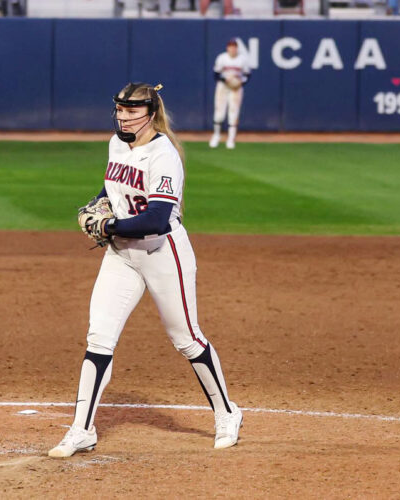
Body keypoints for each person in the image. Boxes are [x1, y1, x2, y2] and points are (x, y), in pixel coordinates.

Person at [48, 82, 243, 458]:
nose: (123, 117)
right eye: (119, 110)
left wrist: (108, 225)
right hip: (122, 256)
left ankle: (227, 413)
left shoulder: (163, 154)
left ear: (150, 114)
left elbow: (156, 218)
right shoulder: (116, 143)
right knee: (99, 338)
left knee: (186, 339)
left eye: (131, 111)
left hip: (163, 253)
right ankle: (81, 430)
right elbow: (112, 189)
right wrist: (97, 205)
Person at [209, 39, 251, 150]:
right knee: (219, 113)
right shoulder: (222, 58)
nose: (232, 49)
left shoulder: (242, 60)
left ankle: (231, 139)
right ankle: (216, 135)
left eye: (234, 47)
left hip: (236, 89)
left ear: (237, 48)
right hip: (223, 87)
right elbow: (216, 74)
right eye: (230, 46)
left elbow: (247, 75)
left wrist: (240, 82)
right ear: (227, 48)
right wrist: (225, 79)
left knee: (233, 113)